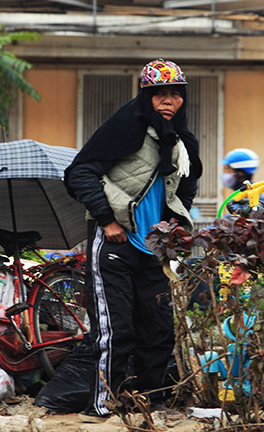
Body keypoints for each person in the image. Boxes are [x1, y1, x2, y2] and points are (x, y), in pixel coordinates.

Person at [64, 58, 202, 422]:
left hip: (152, 249)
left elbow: (186, 188)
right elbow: (79, 173)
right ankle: (102, 404)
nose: (168, 102)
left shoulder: (182, 141)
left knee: (158, 329)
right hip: (114, 243)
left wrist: (172, 229)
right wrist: (107, 219)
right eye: (160, 95)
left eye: (175, 95)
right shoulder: (125, 128)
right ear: (146, 97)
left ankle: (147, 401)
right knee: (116, 329)